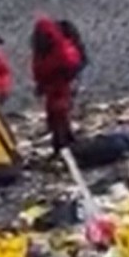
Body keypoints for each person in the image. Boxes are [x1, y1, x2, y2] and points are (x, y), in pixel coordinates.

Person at [31, 15, 87, 154]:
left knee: (59, 110)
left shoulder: (54, 49)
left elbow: (69, 64)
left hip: (60, 84)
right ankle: (64, 140)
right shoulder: (48, 48)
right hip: (56, 84)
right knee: (56, 111)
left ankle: (62, 141)